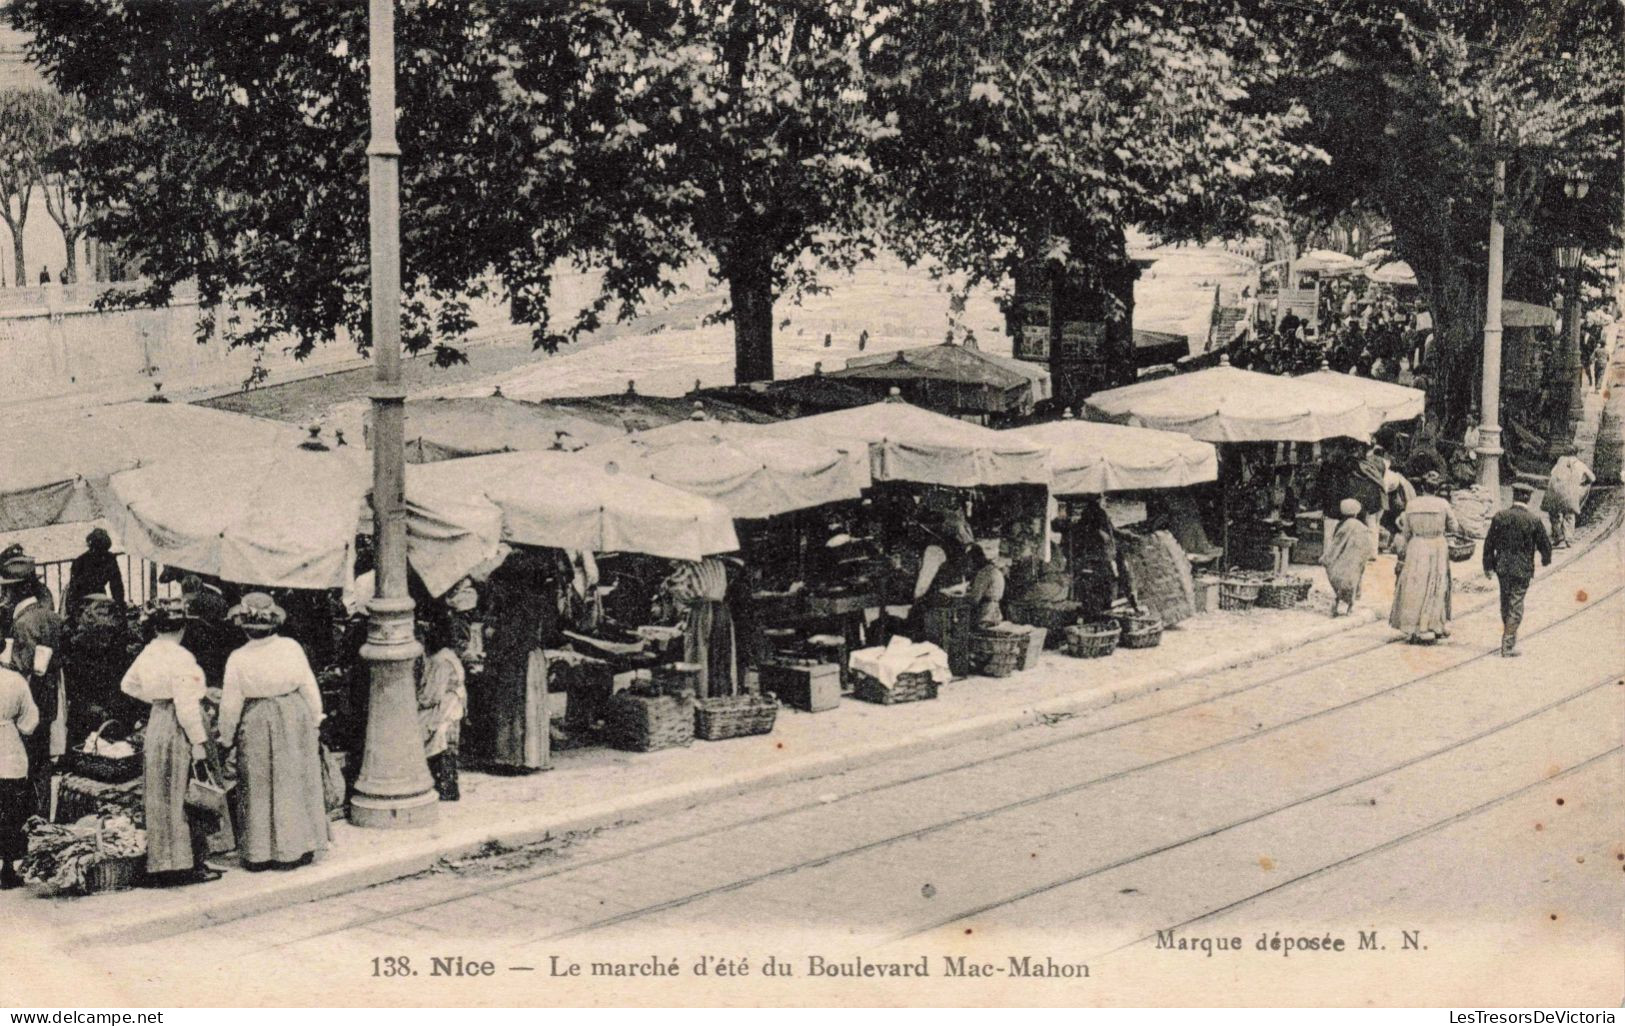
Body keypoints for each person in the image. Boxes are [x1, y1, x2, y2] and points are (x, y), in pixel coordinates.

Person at [217, 593, 328, 870]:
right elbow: (309, 686)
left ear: (243, 626)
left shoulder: (238, 658)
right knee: (293, 781)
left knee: (258, 784)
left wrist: (226, 736)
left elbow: (231, 704)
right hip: (294, 715)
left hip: (257, 718)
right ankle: (298, 847)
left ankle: (260, 853)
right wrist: (315, 719)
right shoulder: (291, 648)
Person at [119, 598, 221, 885]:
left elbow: (127, 685)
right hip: (180, 726)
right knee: (189, 791)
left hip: (158, 722)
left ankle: (164, 862)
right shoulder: (181, 657)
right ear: (182, 628)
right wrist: (198, 742)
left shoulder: (148, 653)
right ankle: (191, 864)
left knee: (161, 791)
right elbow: (187, 707)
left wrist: (156, 700)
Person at [2, 552, 62, 814]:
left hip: (28, 705)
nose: (4, 595)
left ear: (19, 590)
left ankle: (29, 815)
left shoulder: (23, 623)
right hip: (48, 697)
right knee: (42, 761)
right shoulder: (48, 614)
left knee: (25, 762)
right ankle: (43, 810)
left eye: (7, 590)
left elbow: (22, 672)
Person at [1388, 472, 1460, 644]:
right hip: (1437, 546)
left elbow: (1406, 532)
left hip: (1417, 546)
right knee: (1437, 584)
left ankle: (1413, 626)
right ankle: (1433, 625)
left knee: (1415, 585)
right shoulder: (1443, 504)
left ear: (1422, 487)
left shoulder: (1412, 505)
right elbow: (1454, 527)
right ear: (1436, 489)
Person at [1482, 482, 1552, 657]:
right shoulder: (1534, 520)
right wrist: (1545, 559)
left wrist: (1488, 566)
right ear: (1528, 498)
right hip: (1522, 568)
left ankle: (1509, 636)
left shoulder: (1500, 516)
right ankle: (1508, 643)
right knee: (1516, 605)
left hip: (1503, 567)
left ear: (1514, 497)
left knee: (1505, 602)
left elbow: (1488, 544)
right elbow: (1545, 545)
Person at [665, 557, 737, 698]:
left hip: (703, 611)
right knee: (722, 653)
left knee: (700, 652)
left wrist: (670, 586)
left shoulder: (689, 565)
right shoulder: (719, 564)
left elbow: (677, 589)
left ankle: (701, 693)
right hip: (722, 611)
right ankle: (721, 694)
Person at [416, 618, 466, 802]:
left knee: (422, 731)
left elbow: (432, 695)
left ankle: (438, 784)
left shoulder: (439, 660)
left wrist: (416, 701)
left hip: (444, 706)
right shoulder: (448, 655)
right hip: (451, 704)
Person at [0, 656, 37, 889]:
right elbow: (29, 721)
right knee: (10, 814)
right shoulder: (14, 680)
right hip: (8, 750)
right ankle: (7, 869)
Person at [62, 528, 125, 624]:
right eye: (97, 548)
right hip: (82, 600)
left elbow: (117, 586)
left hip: (99, 598)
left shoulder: (109, 559)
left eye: (102, 550)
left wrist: (119, 606)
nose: (99, 553)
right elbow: (73, 591)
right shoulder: (80, 562)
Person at [1322, 499, 1373, 618]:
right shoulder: (1361, 527)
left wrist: (1328, 557)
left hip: (1342, 560)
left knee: (1340, 582)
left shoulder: (1341, 525)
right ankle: (1350, 607)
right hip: (1354, 561)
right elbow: (1367, 544)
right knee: (1352, 582)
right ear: (1356, 512)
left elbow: (1336, 543)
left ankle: (1337, 601)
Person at [1541, 447, 1594, 549]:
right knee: (1569, 515)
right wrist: (1582, 484)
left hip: (1555, 492)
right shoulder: (1580, 464)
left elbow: (1552, 473)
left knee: (1553, 514)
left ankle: (1558, 537)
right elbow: (1592, 478)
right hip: (1570, 494)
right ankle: (1568, 539)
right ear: (1576, 454)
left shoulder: (1559, 462)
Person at [965, 544, 1006, 629]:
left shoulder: (983, 573)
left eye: (970, 562)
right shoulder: (994, 570)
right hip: (996, 612)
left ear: (974, 560)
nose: (970, 566)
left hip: (985, 614)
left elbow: (975, 598)